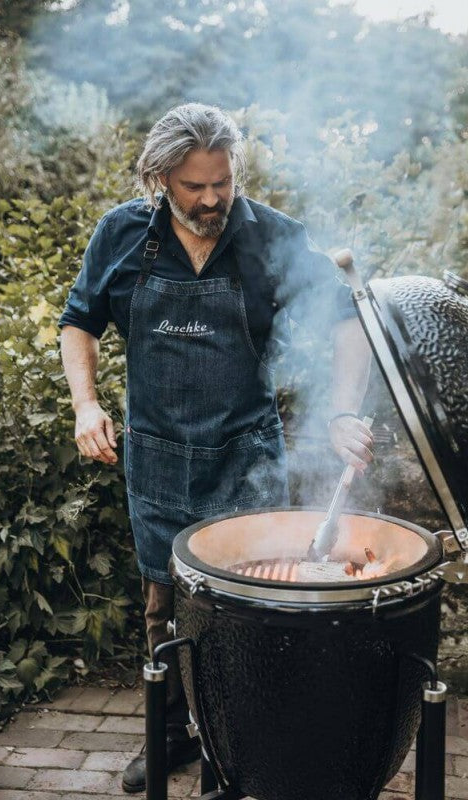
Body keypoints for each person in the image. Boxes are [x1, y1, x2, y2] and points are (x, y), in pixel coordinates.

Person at [58, 103, 373, 793]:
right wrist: (86, 404)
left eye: (222, 183)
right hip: (158, 462)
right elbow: (79, 321)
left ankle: (239, 748)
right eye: (194, 186)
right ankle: (171, 734)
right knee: (164, 610)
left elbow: (348, 318)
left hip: (245, 461)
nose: (211, 199)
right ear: (160, 178)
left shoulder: (270, 238)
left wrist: (342, 410)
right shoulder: (123, 235)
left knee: (249, 615)